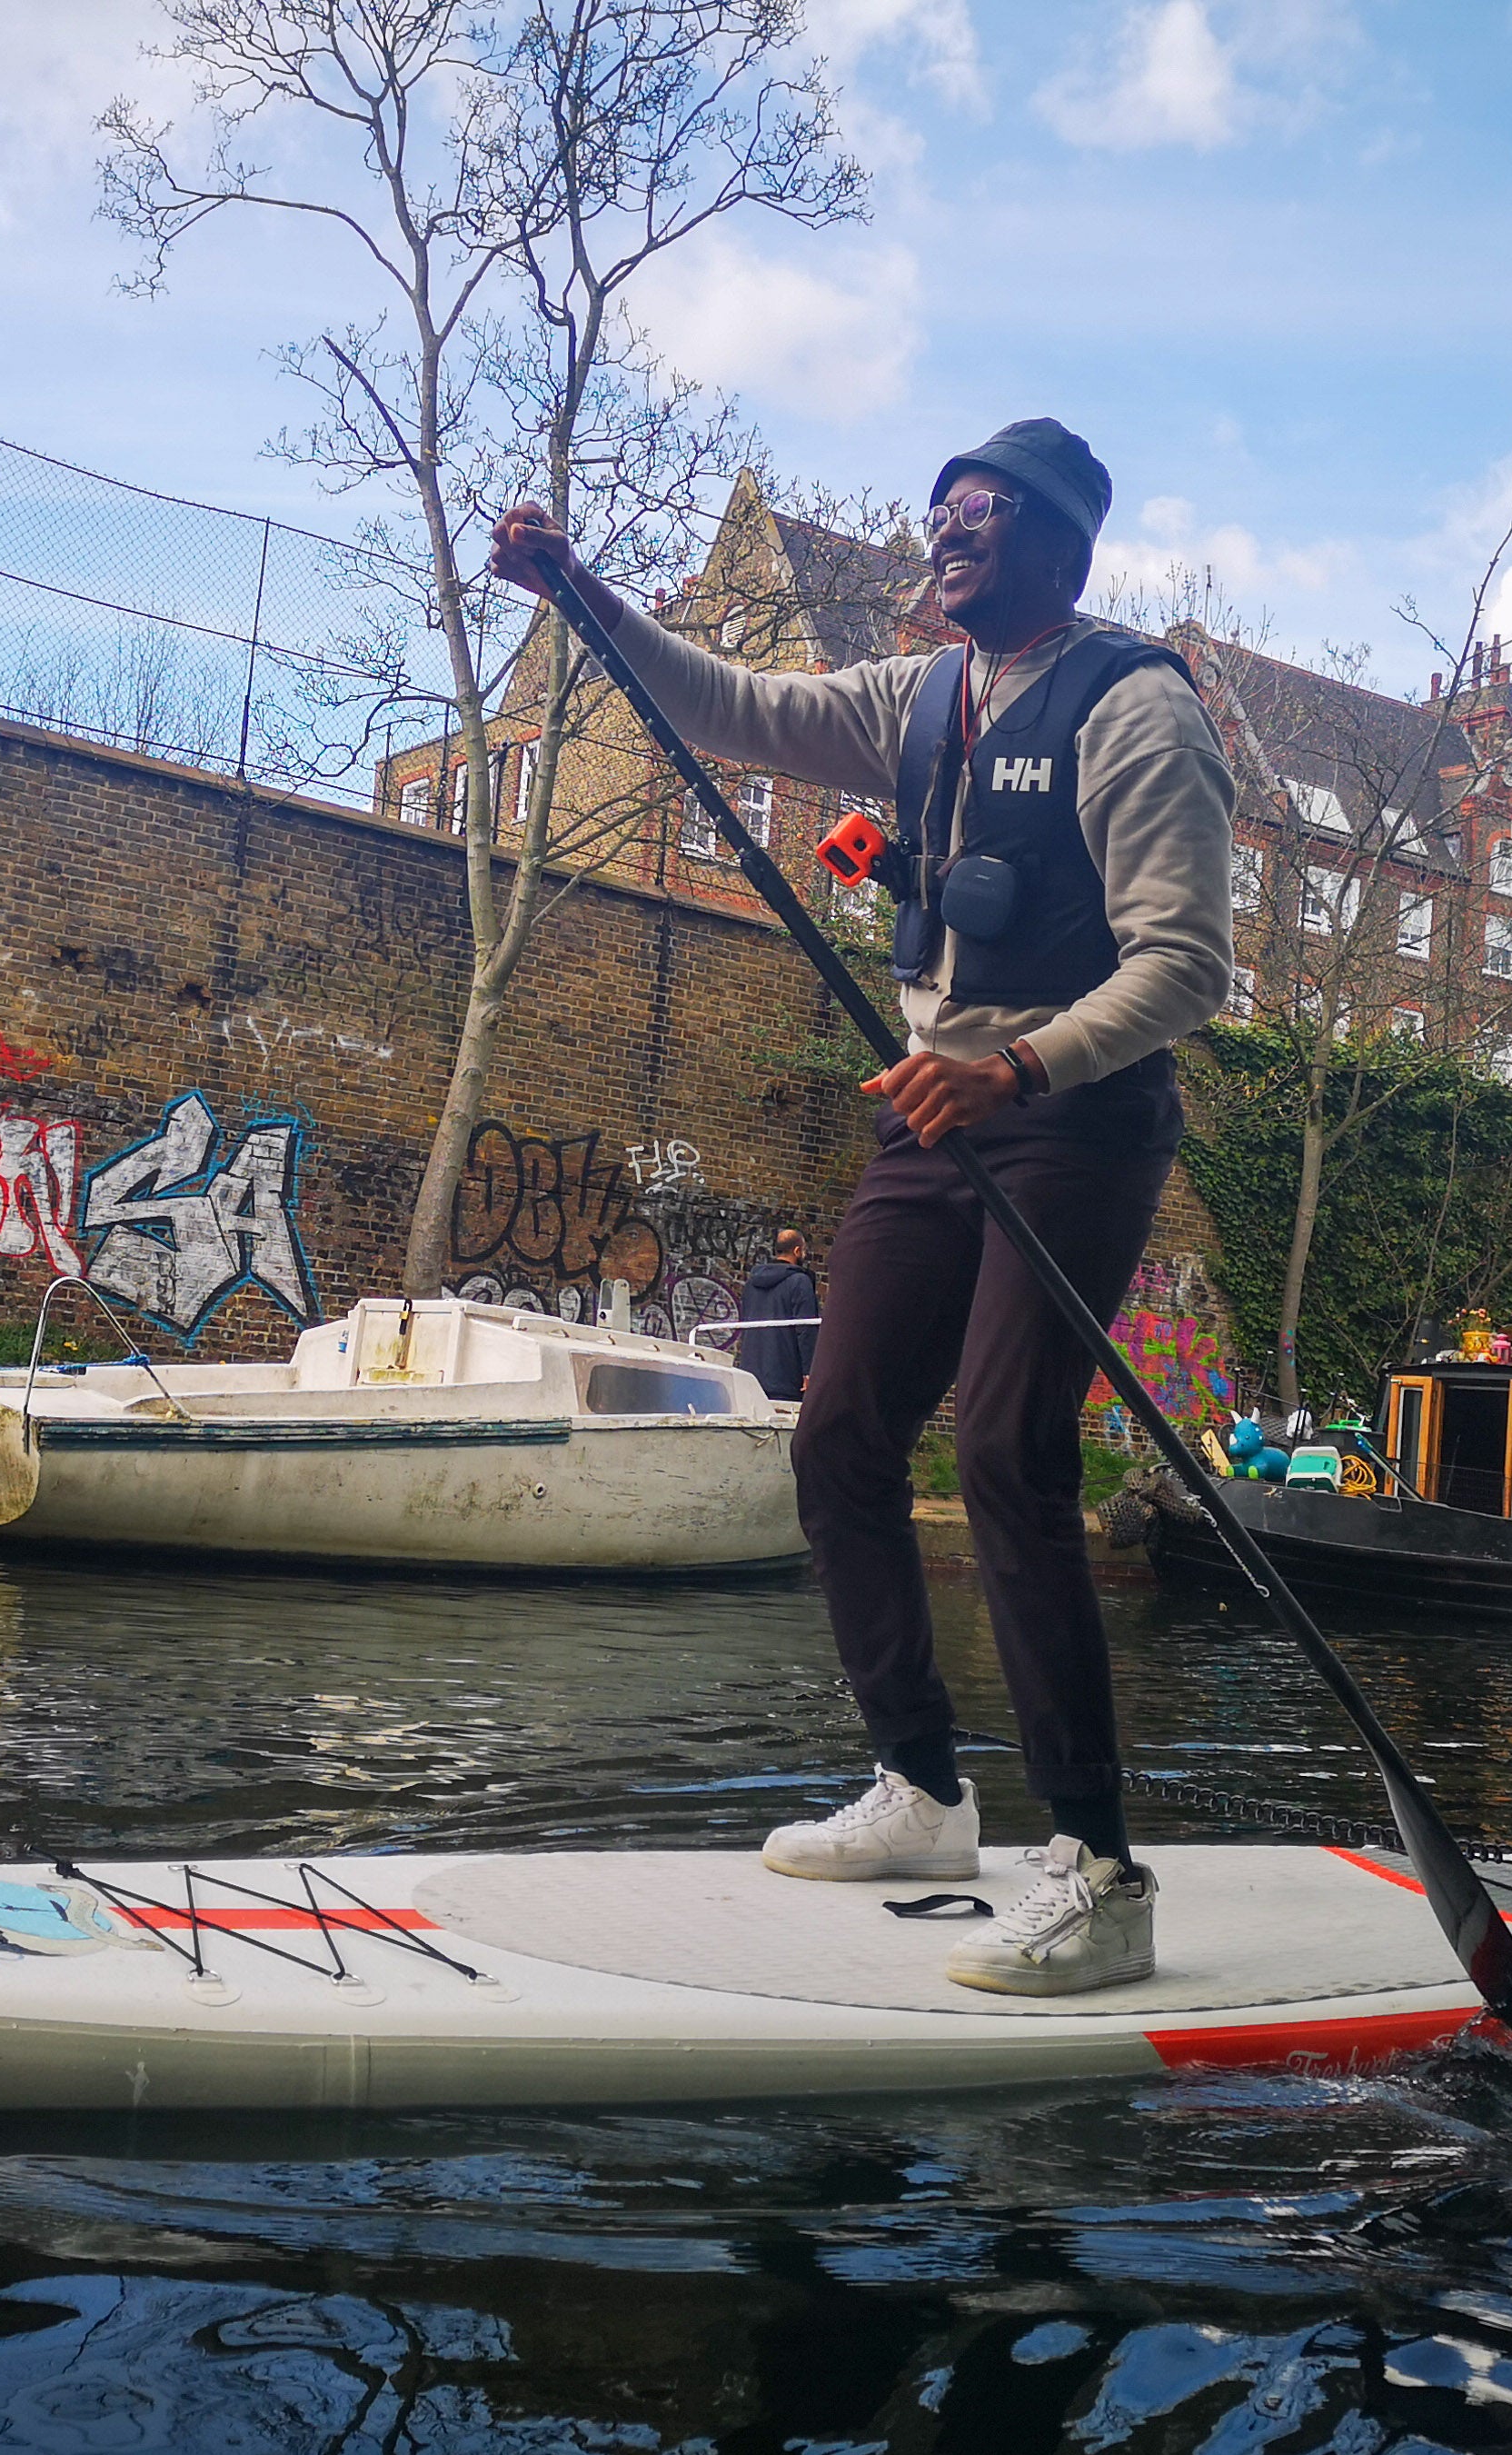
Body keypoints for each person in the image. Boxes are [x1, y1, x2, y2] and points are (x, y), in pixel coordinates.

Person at [489, 418, 1235, 1997]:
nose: (943, 535)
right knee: (833, 1432)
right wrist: (582, 595)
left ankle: (1098, 1871)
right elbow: (733, 707)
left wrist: (1017, 1073)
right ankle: (920, 1791)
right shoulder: (919, 695)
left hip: (1071, 1120)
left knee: (1006, 1453)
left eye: (976, 516)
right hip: (925, 1111)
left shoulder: (1132, 707)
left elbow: (1183, 968)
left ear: (1053, 545)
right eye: (937, 512)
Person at [733, 1229, 821, 1402]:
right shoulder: (800, 1282)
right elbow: (806, 1330)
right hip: (785, 1379)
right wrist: (809, 1372)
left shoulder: (752, 1283)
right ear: (797, 1251)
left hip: (750, 1375)